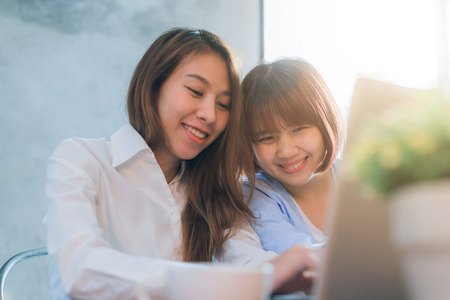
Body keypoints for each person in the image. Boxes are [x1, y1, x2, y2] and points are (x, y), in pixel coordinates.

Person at [45, 28, 318, 299]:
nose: (210, 115)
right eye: (195, 91)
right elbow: (82, 268)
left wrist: (300, 266)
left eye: (224, 105)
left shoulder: (213, 192)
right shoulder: (81, 159)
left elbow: (249, 261)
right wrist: (244, 280)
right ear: (154, 86)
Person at [241, 58, 345, 254]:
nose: (286, 151)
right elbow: (298, 257)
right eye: (267, 137)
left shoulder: (358, 177)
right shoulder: (253, 194)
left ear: (325, 122)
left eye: (299, 129)